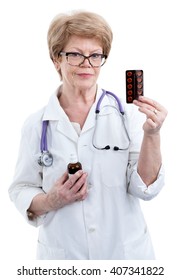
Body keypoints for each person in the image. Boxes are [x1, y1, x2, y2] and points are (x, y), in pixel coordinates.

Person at [8, 10, 167, 260]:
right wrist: (52, 200)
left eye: (95, 56)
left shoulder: (129, 116)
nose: (87, 64)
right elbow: (21, 189)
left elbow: (145, 188)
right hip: (64, 259)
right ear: (55, 59)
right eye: (75, 54)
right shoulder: (36, 125)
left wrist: (153, 134)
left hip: (125, 259)